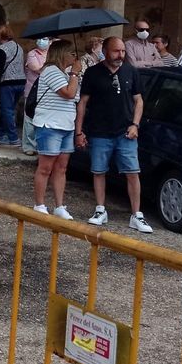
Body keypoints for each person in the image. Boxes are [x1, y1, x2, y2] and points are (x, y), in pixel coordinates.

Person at [74, 37, 151, 234]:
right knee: (98, 171)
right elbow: (82, 103)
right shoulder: (93, 73)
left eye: (123, 51)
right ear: (106, 51)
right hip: (100, 131)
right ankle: (100, 209)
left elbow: (139, 100)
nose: (120, 55)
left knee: (132, 172)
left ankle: (136, 214)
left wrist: (136, 124)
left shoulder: (131, 71)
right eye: (116, 51)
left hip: (125, 132)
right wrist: (79, 131)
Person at [31, 40, 82, 220]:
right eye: (72, 54)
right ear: (62, 54)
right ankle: (39, 203)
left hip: (66, 123)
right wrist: (75, 73)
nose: (74, 57)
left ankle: (59, 205)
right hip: (50, 124)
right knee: (45, 166)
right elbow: (68, 93)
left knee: (61, 167)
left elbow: (75, 96)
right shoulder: (51, 71)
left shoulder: (65, 73)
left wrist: (74, 75)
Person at [0, 25, 25, 146]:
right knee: (9, 109)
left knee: (7, 110)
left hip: (8, 82)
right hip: (21, 81)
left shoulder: (1, 49)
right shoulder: (19, 47)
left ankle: (13, 137)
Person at [21, 38, 50, 156]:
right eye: (41, 38)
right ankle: (29, 145)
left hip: (47, 91)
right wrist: (51, 65)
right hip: (32, 90)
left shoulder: (51, 54)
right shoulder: (32, 54)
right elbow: (37, 69)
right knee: (29, 118)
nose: (42, 41)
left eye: (46, 39)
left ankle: (40, 145)